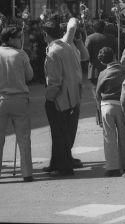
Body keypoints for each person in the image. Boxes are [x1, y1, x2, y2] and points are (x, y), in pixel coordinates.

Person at [0, 27, 33, 184]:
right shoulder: (21, 54)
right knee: (24, 139)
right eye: (17, 37)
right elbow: (30, 76)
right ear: (9, 39)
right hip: (20, 100)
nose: (19, 40)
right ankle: (27, 173)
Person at [43, 19, 82, 177]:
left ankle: (63, 166)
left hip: (60, 97)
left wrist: (49, 98)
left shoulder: (53, 51)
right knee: (62, 133)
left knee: (59, 134)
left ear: (46, 35)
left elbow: (55, 81)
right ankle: (56, 163)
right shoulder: (68, 47)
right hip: (72, 95)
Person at [95, 47, 125, 176]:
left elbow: (98, 94)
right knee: (124, 136)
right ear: (115, 55)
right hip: (121, 105)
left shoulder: (103, 73)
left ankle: (112, 167)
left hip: (106, 106)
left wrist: (98, 113)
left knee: (109, 137)